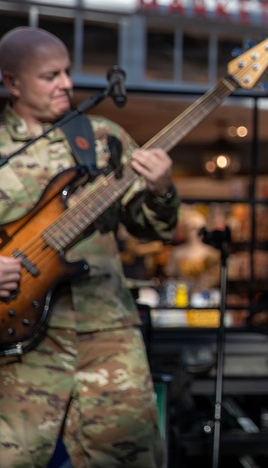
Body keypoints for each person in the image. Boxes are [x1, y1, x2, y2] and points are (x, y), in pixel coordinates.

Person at [0, 27, 181, 468]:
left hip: (108, 331)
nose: (65, 83)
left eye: (67, 71)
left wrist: (160, 189)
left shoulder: (102, 137)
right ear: (11, 82)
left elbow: (151, 227)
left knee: (132, 458)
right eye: (49, 75)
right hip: (19, 340)